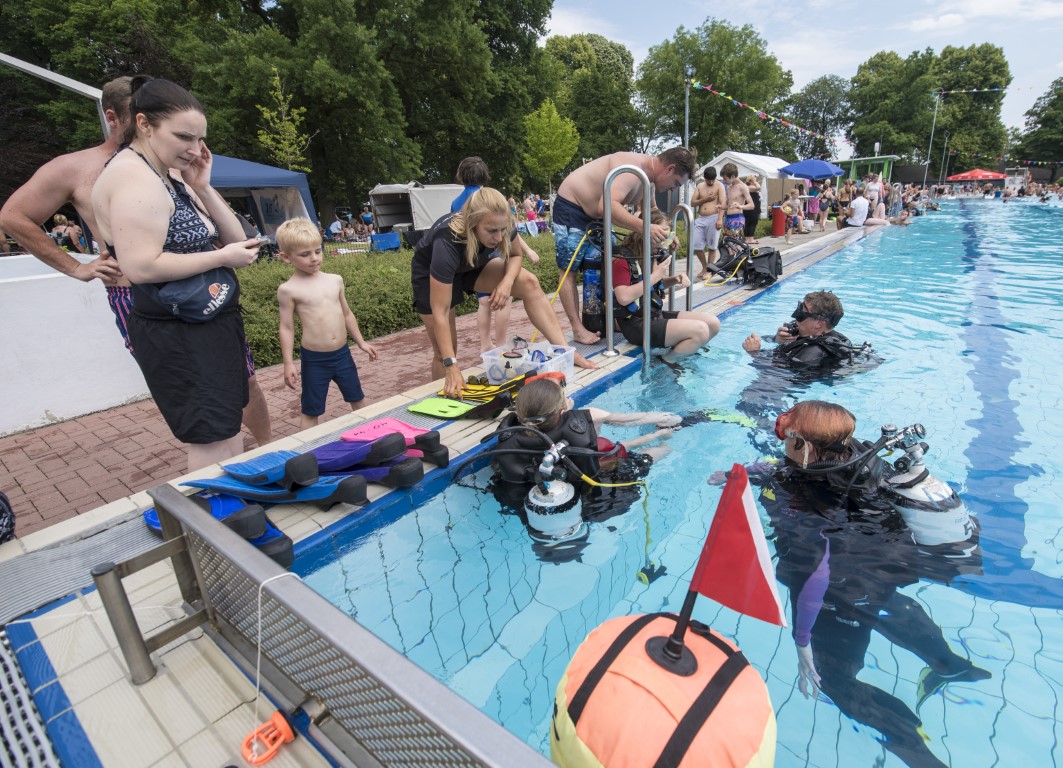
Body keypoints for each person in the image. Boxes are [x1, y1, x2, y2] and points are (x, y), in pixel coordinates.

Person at [0, 76, 272, 446]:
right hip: (147, 300)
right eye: (141, 112)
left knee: (242, 380)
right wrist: (77, 268)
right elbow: (13, 216)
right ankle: (220, 457)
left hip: (209, 296)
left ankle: (264, 448)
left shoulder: (170, 164)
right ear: (120, 118)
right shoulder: (84, 168)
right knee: (200, 409)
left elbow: (225, 234)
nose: (191, 145)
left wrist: (205, 193)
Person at [715, 400, 988, 768]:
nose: (779, 437)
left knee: (833, 680)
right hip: (882, 577)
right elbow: (784, 469)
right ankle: (949, 664)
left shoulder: (808, 498)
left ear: (804, 445)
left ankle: (918, 754)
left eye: (784, 432)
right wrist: (755, 472)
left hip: (838, 594)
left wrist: (802, 644)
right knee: (884, 604)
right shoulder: (864, 461)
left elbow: (814, 575)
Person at [91, 76, 266, 471]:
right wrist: (220, 259)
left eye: (201, 139)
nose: (195, 149)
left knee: (228, 426)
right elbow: (140, 266)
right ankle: (214, 521)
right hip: (178, 331)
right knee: (210, 436)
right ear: (144, 124)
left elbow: (239, 239)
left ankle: (235, 508)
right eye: (184, 137)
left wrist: (202, 187)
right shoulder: (133, 178)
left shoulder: (165, 174)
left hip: (207, 322)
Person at [412, 187, 595, 399]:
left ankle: (564, 352)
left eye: (502, 230)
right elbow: (441, 312)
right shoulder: (447, 241)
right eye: (491, 231)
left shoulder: (500, 224)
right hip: (431, 274)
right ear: (473, 223)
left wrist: (507, 282)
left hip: (472, 264)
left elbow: (516, 255)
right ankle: (441, 396)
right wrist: (451, 365)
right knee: (445, 350)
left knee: (529, 282)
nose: (499, 237)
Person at [552, 147, 696, 344]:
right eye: (676, 183)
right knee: (569, 269)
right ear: (669, 169)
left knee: (610, 262)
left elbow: (651, 213)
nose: (673, 189)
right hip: (573, 206)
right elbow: (607, 205)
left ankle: (612, 319)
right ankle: (577, 328)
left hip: (599, 215)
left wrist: (667, 235)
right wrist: (646, 228)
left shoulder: (649, 181)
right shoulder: (631, 170)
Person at [276, 218, 378, 430]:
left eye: (317, 251)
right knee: (311, 409)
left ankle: (371, 437)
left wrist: (361, 342)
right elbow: (286, 327)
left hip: (342, 354)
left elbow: (347, 313)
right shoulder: (288, 289)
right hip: (314, 359)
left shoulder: (335, 280)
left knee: (357, 398)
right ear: (286, 257)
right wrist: (288, 362)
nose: (314, 258)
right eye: (305, 254)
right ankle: (307, 451)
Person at [450, 156, 541, 353]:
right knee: (504, 298)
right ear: (484, 174)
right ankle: (500, 344)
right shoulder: (490, 199)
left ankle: (485, 344)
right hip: (491, 258)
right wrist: (527, 250)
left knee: (484, 303)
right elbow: (507, 233)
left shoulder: (456, 202)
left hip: (471, 261)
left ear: (462, 176)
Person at [610, 210, 720, 368]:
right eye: (662, 237)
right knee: (700, 331)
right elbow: (623, 297)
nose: (664, 243)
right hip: (637, 324)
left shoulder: (650, 256)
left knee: (712, 323)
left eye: (667, 237)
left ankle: (685, 350)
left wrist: (674, 279)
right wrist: (655, 276)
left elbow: (653, 285)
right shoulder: (622, 260)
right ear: (645, 234)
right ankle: (667, 360)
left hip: (655, 315)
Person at [742, 291, 858, 367]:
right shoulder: (808, 335)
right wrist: (778, 340)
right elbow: (768, 340)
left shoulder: (812, 353)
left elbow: (778, 376)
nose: (796, 316)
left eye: (802, 313)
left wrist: (754, 353)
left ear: (819, 323)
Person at [690, 166, 725, 279]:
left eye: (712, 180)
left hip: (714, 217)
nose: (710, 182)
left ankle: (709, 270)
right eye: (708, 180)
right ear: (704, 178)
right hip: (701, 218)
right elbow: (693, 203)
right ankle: (705, 267)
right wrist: (705, 199)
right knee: (696, 246)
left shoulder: (719, 185)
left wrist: (720, 219)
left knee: (712, 245)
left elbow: (723, 203)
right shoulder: (700, 186)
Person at [717, 162, 754, 240]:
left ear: (733, 176)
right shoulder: (729, 188)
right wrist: (720, 206)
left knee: (735, 244)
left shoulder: (743, 187)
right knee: (726, 244)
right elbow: (728, 205)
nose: (723, 181)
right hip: (728, 218)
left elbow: (751, 205)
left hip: (737, 218)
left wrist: (740, 206)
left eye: (725, 178)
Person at [743, 175, 762, 244]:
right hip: (752, 208)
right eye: (754, 180)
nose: (756, 182)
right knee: (753, 223)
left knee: (747, 223)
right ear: (750, 181)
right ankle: (750, 239)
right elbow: (758, 187)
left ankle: (747, 238)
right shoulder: (749, 187)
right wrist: (754, 181)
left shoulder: (746, 187)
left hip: (748, 208)